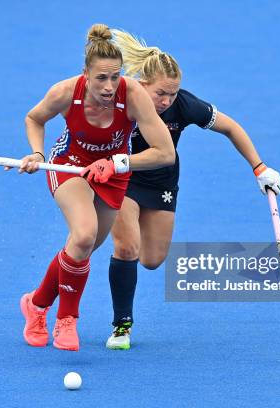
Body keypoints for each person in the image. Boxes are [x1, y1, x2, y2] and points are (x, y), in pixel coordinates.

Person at [105, 29, 280, 350]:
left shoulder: (183, 105)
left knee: (152, 259)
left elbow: (230, 127)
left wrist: (259, 167)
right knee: (127, 247)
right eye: (161, 94)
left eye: (172, 95)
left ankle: (124, 260)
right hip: (123, 177)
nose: (166, 101)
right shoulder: (119, 98)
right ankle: (122, 326)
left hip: (161, 182)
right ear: (142, 83)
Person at [13, 24, 175, 352]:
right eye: (101, 78)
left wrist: (117, 164)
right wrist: (37, 154)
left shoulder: (132, 95)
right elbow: (34, 119)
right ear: (86, 73)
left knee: (81, 247)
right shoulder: (64, 92)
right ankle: (66, 319)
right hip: (68, 166)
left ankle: (36, 304)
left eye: (115, 77)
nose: (109, 85)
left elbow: (165, 153)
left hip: (112, 174)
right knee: (84, 234)